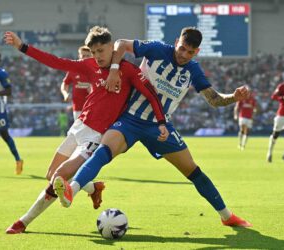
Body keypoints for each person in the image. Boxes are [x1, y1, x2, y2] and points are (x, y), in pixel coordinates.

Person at [55, 27, 253, 228]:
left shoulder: (193, 70)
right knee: (103, 152)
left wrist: (233, 98)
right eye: (182, 48)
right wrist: (114, 71)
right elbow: (121, 43)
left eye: (190, 52)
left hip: (161, 127)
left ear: (197, 52)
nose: (184, 55)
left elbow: (214, 99)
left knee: (193, 171)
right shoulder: (157, 49)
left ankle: (226, 216)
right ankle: (72, 190)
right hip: (130, 119)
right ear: (176, 41)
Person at [3, 27, 168, 234]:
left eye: (101, 51)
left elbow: (151, 94)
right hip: (79, 126)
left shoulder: (128, 71)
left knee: (59, 178)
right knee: (50, 175)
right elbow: (55, 61)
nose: (97, 56)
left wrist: (161, 121)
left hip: (96, 135)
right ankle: (93, 188)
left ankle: (23, 222)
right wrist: (22, 46)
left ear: (111, 47)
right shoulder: (89, 65)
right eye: (93, 52)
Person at [61, 46, 92, 121]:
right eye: (83, 56)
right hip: (77, 109)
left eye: (87, 56)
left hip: (92, 108)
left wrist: (91, 88)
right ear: (79, 56)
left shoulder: (96, 69)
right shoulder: (73, 69)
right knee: (78, 131)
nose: (85, 58)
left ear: (91, 56)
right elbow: (65, 84)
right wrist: (65, 94)